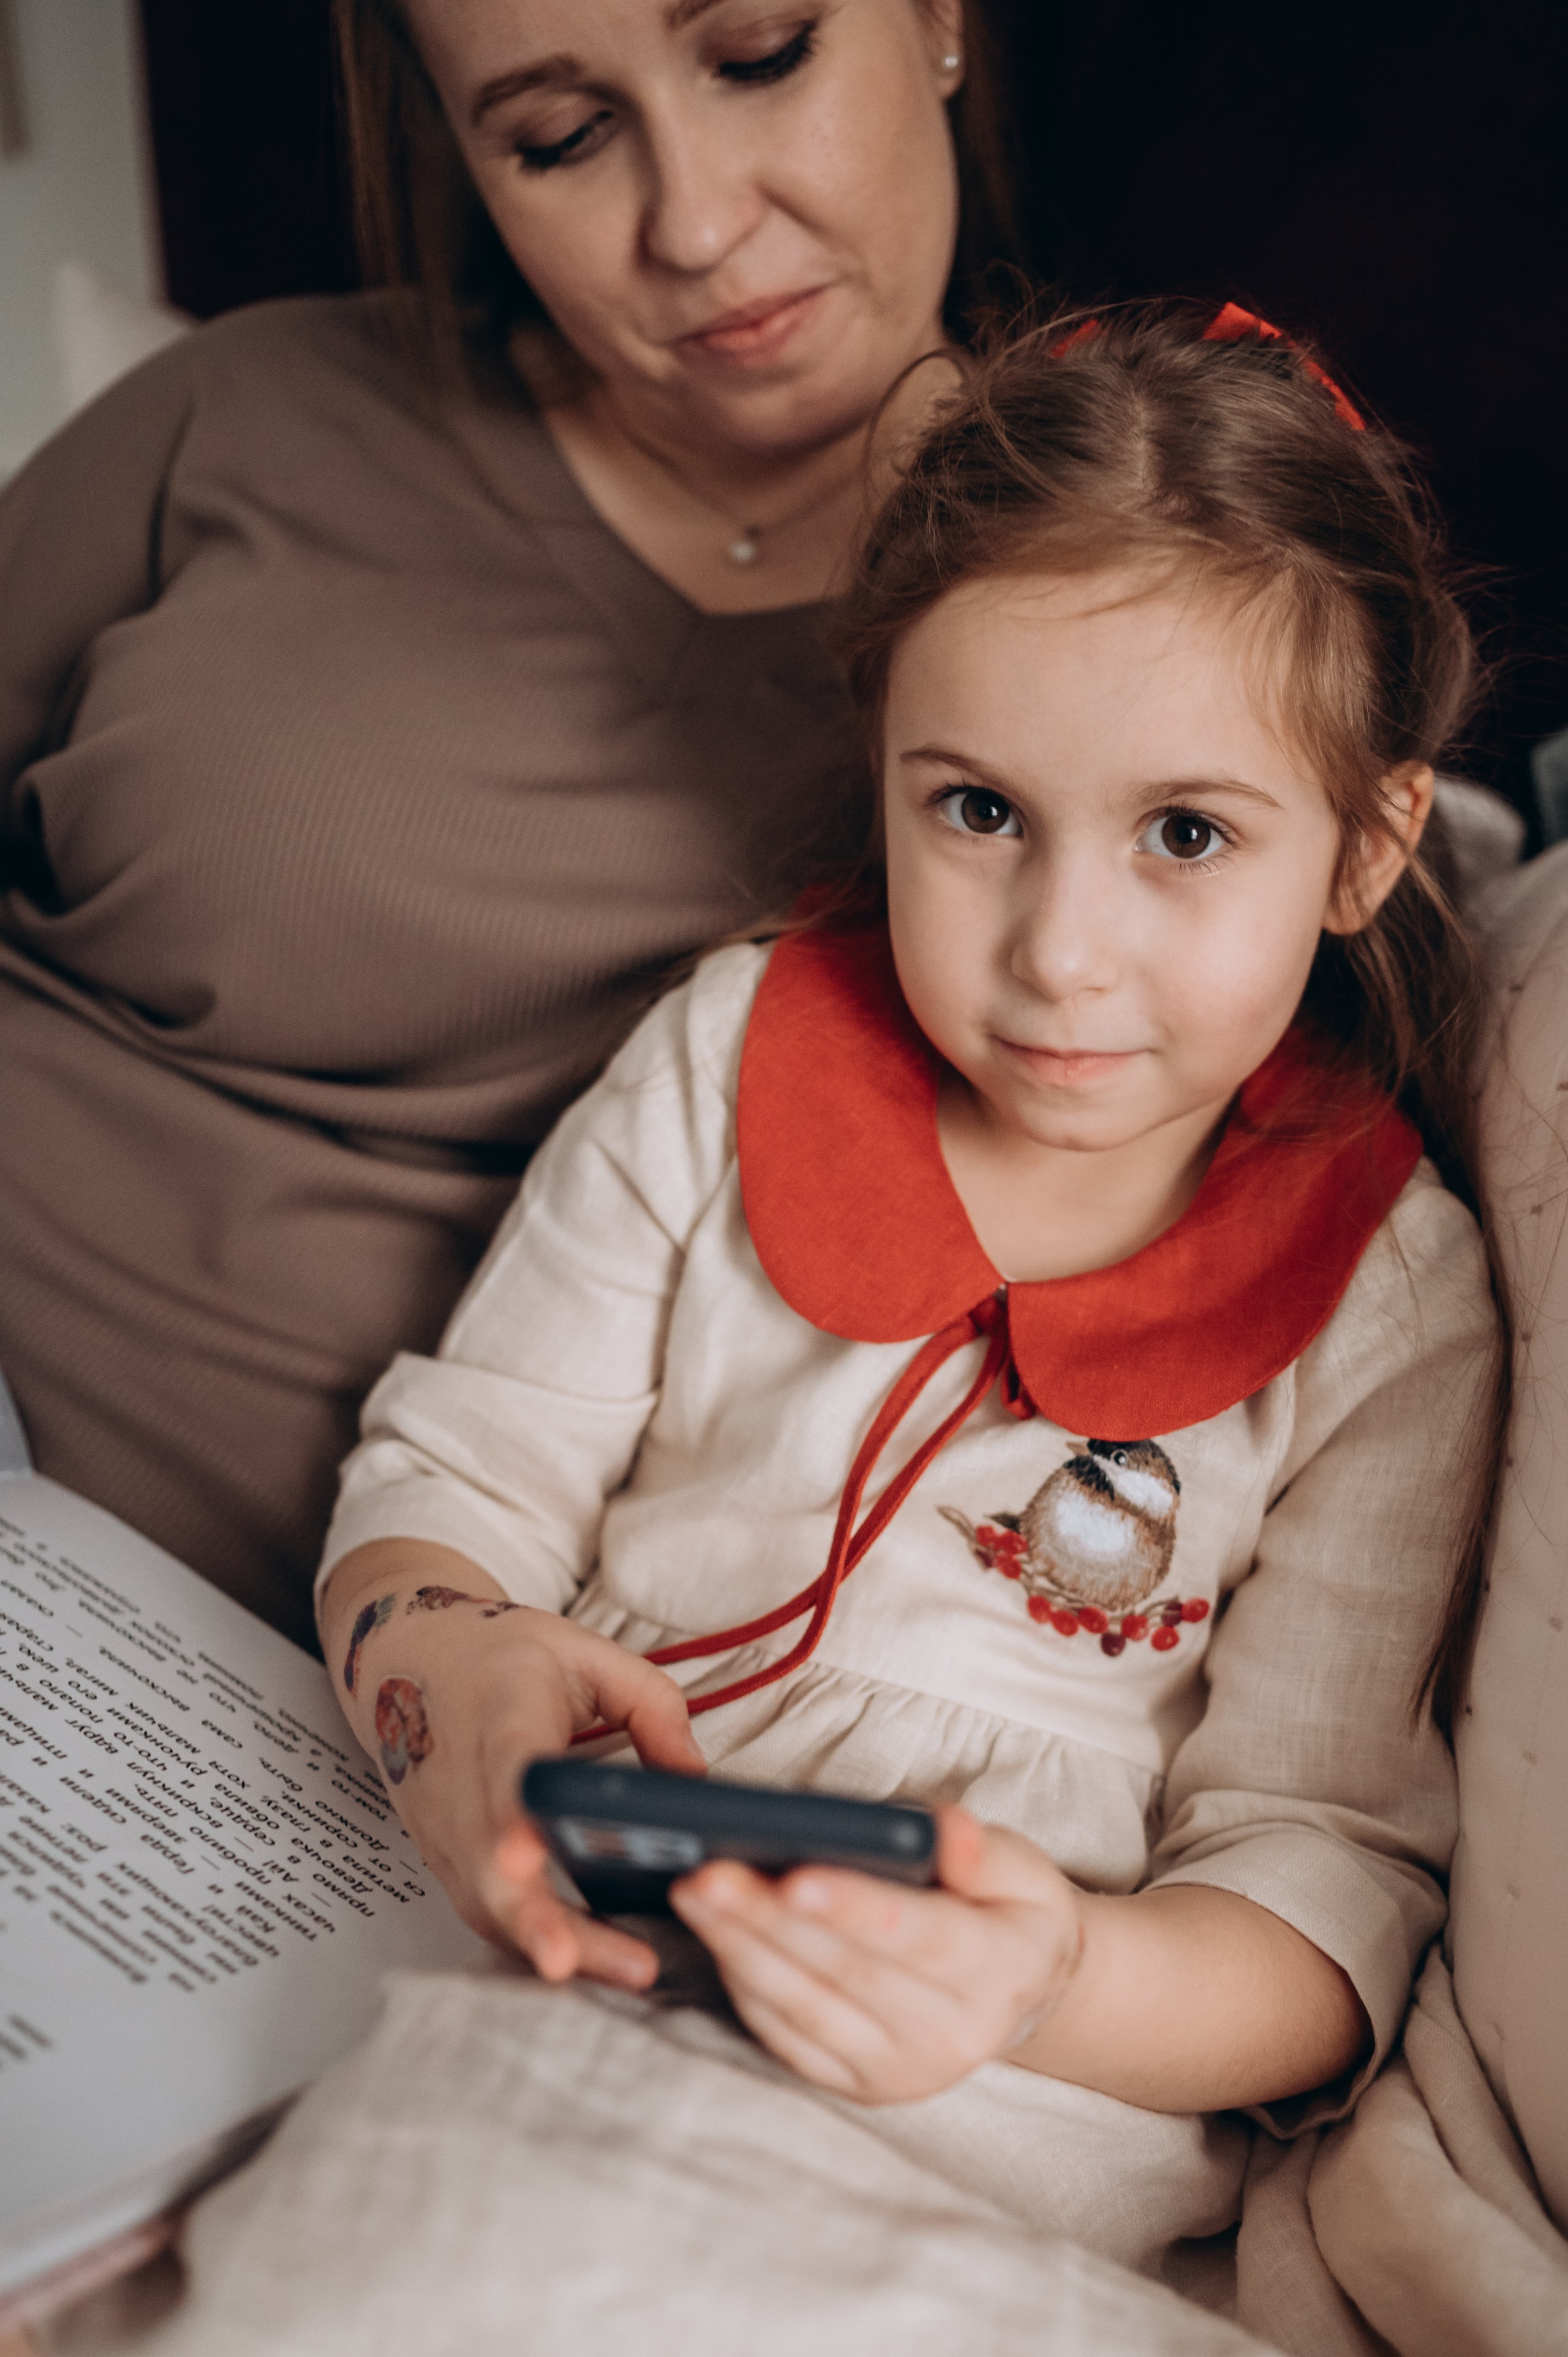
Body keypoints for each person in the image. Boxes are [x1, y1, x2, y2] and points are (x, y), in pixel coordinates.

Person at [309, 302, 1502, 2271]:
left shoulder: (1388, 1297)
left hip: (975, 2162)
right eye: (978, 814)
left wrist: (1050, 1985)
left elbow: (1318, 1891)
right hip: (531, 2009)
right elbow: (452, 1480)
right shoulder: (730, 1057)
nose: (1060, 951)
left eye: (1187, 835)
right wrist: (445, 1657)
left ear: (1367, 846)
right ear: (884, 761)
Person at [0, 0, 1010, 1649]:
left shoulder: (1114, 608)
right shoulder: (249, 408)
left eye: (759, 56)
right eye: (557, 138)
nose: (694, 224)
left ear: (938, 22)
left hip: (351, 1680)